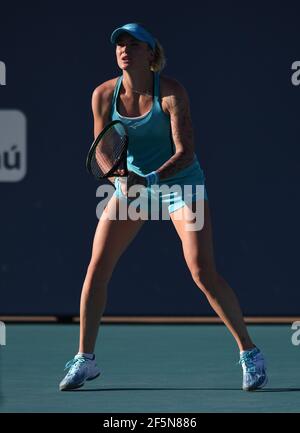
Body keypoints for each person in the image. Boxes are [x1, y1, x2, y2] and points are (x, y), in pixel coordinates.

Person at [59, 23, 267, 392]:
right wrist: (120, 180)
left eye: (133, 44)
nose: (124, 50)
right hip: (133, 188)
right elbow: (102, 151)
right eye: (119, 45)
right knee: (97, 267)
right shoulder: (103, 96)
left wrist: (150, 181)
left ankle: (250, 353)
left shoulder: (171, 92)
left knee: (202, 271)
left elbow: (184, 153)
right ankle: (84, 360)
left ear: (150, 54)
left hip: (180, 184)